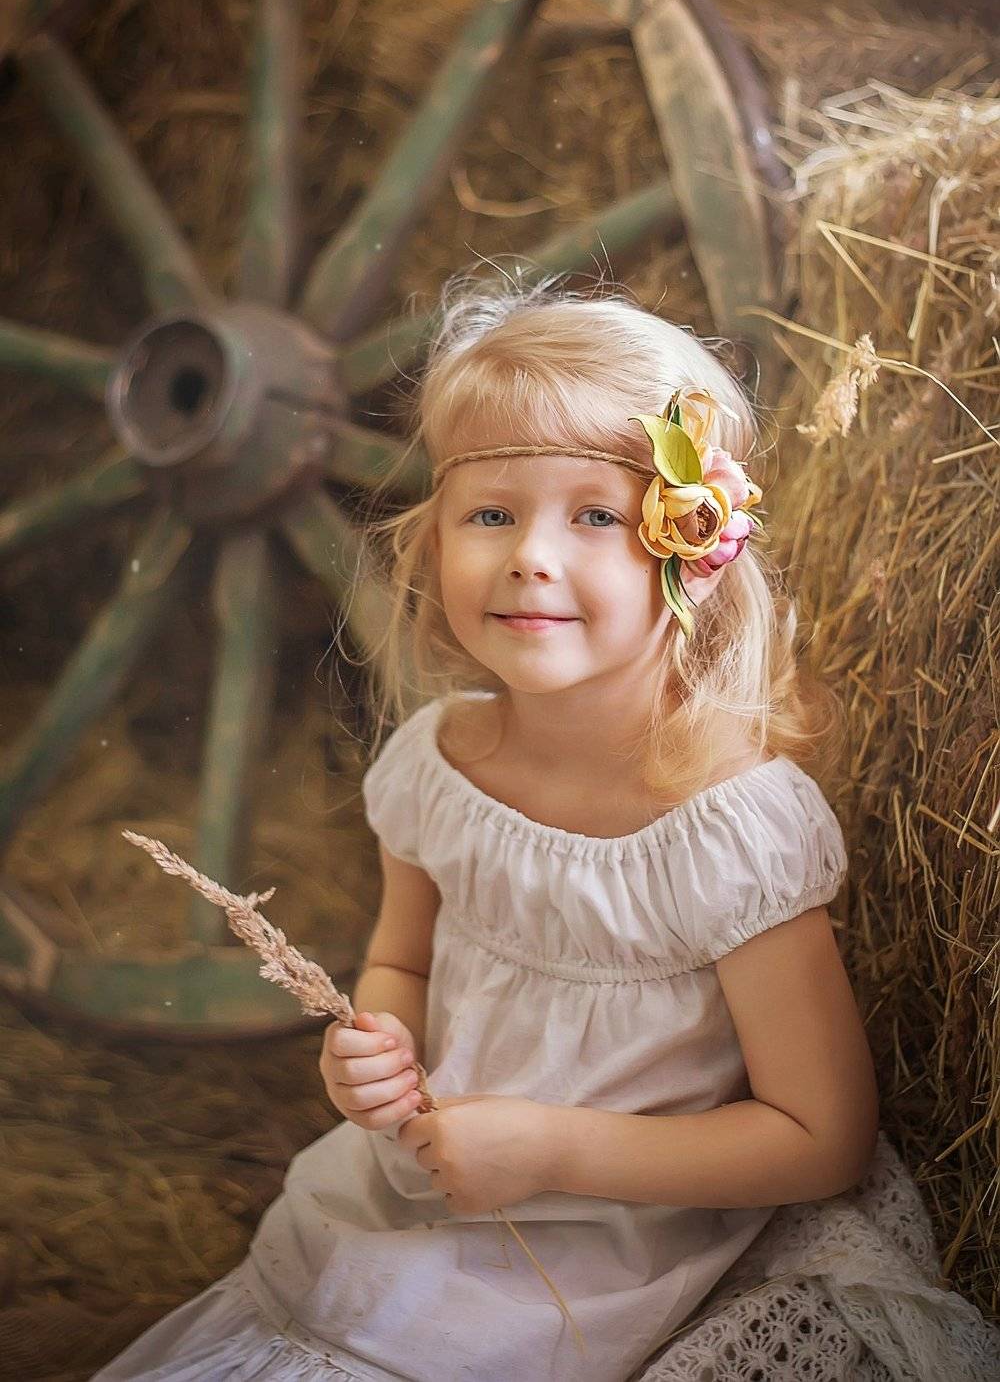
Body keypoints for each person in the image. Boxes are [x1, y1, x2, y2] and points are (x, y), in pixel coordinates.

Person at [92, 277, 1000, 1381]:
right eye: (492, 514)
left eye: (596, 516)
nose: (529, 554)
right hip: (425, 1192)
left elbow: (821, 1139)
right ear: (430, 542)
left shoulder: (727, 829)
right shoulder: (436, 765)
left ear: (691, 552)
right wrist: (376, 1053)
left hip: (612, 1248)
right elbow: (400, 964)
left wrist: (551, 1150)